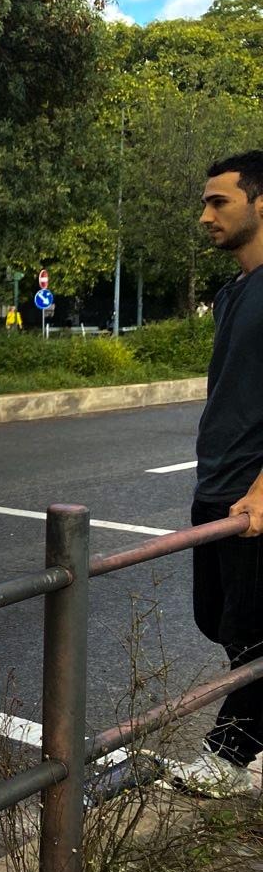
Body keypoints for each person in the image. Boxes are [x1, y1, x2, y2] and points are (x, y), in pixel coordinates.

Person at [162, 150, 263, 798]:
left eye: (218, 201)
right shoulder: (234, 292)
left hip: (253, 498)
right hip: (217, 489)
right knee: (218, 620)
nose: (204, 215)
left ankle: (227, 757)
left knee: (253, 632)